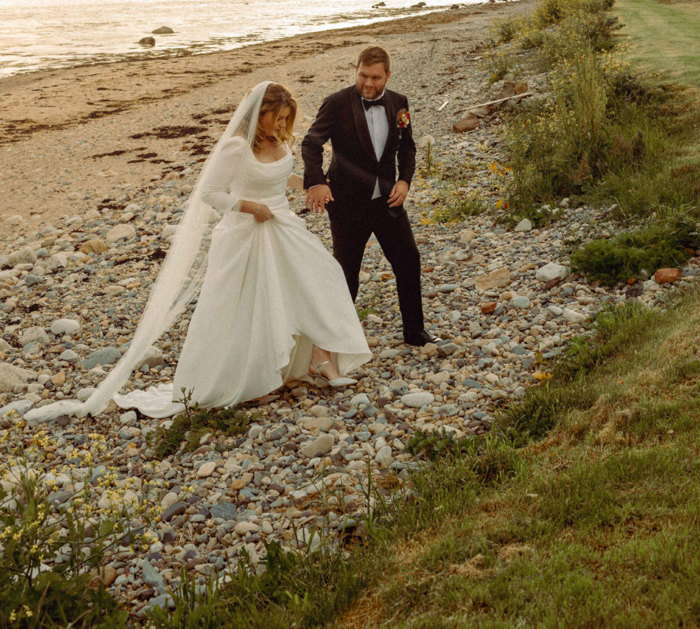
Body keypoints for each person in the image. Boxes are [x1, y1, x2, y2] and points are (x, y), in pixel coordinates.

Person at [26, 81, 370, 425]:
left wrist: (310, 186)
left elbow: (277, 176)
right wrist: (251, 207)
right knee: (251, 304)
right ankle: (251, 377)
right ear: (258, 114)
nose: (282, 126)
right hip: (247, 234)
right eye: (276, 118)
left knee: (316, 280)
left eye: (285, 119)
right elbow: (210, 193)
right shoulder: (236, 147)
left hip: (283, 225)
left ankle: (320, 357)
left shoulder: (277, 140)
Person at [302, 46, 437, 347]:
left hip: (388, 201)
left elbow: (408, 147)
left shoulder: (399, 103)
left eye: (376, 77)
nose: (368, 83)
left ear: (388, 75)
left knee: (408, 261)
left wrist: (404, 181)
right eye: (363, 75)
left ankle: (414, 332)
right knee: (346, 274)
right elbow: (311, 143)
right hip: (348, 205)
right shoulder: (336, 103)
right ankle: (336, 341)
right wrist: (316, 183)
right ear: (356, 70)